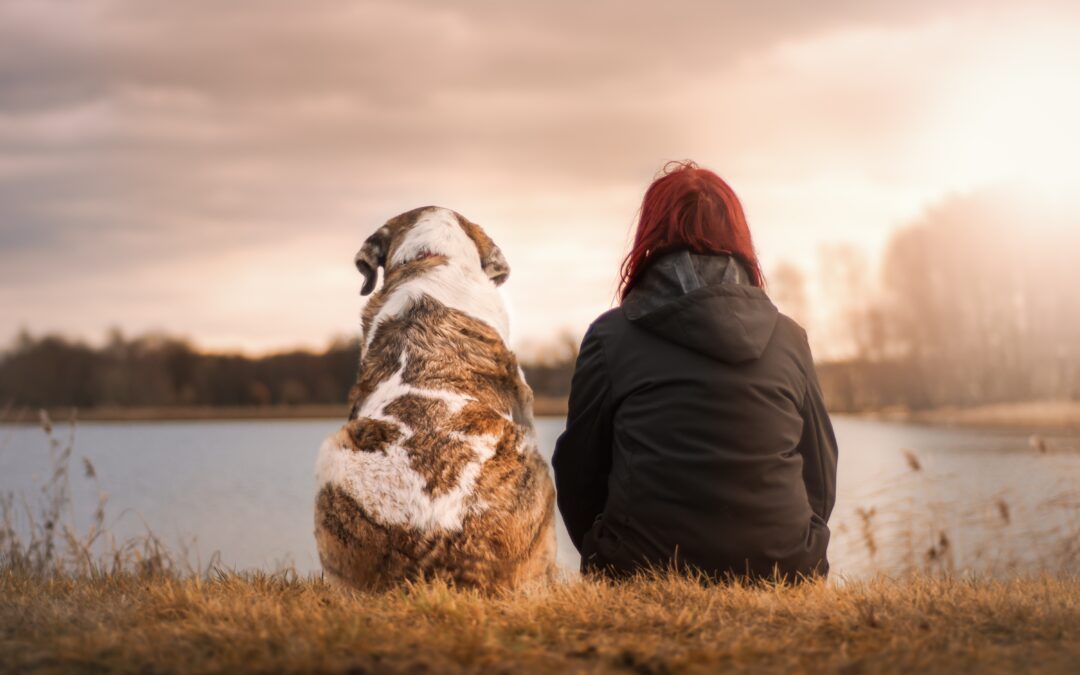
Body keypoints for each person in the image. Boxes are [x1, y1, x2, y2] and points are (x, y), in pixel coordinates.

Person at [552, 161, 838, 582]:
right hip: (785, 568)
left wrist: (606, 550)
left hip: (639, 568)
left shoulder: (610, 337)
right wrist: (797, 544)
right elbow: (821, 470)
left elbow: (578, 471)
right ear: (738, 237)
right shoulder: (789, 338)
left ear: (650, 236)